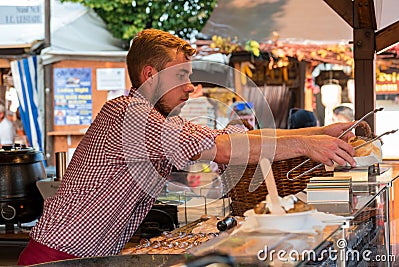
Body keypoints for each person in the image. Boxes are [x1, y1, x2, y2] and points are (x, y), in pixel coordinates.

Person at [18, 29, 356, 265]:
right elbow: (224, 151)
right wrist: (308, 145)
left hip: (87, 256)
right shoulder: (131, 115)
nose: (191, 87)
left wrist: (320, 132)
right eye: (181, 76)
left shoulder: (154, 119)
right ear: (150, 75)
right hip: (56, 258)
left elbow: (232, 141)